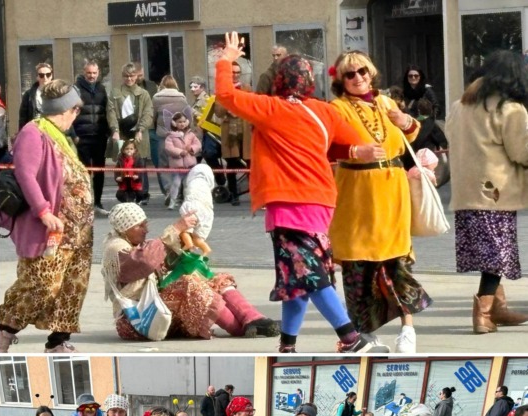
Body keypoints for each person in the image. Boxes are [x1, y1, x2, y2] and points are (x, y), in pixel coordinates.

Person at [212, 34, 388, 354]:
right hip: (321, 202)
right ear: (309, 81)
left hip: (287, 206)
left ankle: (350, 337)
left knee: (308, 275)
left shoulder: (270, 107)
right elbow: (346, 143)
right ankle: (287, 345)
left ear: (278, 80)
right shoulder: (325, 111)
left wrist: (227, 59)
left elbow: (225, 94)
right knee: (298, 280)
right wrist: (354, 150)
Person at [328, 50, 431, 353]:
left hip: (392, 190)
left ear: (371, 72)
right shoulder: (337, 108)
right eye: (350, 74)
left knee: (396, 263)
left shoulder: (387, 102)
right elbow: (324, 147)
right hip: (357, 194)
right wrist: (353, 152)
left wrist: (407, 121)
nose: (358, 77)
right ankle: (363, 332)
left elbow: (409, 139)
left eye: (362, 71)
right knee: (357, 268)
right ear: (341, 80)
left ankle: (408, 331)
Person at [0, 80, 93, 354]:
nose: (75, 117)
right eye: (75, 111)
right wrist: (43, 210)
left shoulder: (59, 135)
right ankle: (5, 330)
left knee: (73, 286)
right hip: (50, 229)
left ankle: (58, 340)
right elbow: (25, 174)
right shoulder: (34, 132)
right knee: (42, 284)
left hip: (77, 231)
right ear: (66, 109)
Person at [101, 203, 277, 340]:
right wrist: (175, 229)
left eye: (146, 224)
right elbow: (145, 261)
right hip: (137, 320)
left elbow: (160, 263)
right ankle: (239, 328)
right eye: (140, 226)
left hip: (156, 309)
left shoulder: (135, 244)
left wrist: (182, 248)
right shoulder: (115, 248)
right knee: (189, 285)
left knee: (212, 278)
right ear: (125, 228)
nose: (146, 229)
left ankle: (252, 318)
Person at [447, 50, 528, 334]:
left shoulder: (459, 105)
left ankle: (498, 309)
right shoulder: (510, 109)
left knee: (491, 253)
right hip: (496, 193)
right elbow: (521, 151)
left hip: (466, 193)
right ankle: (483, 314)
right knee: (496, 255)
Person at [107, 63, 154, 204]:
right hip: (122, 132)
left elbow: (148, 113)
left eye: (132, 76)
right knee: (123, 163)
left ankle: (142, 194)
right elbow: (111, 112)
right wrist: (115, 130)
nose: (129, 79)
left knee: (139, 163)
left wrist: (141, 129)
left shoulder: (143, 94)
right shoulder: (115, 93)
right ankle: (125, 193)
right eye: (126, 76)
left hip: (139, 133)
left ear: (136, 76)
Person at [72, 61, 111, 217]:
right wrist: (74, 135)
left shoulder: (102, 89)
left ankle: (98, 203)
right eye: (89, 73)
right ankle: (85, 202)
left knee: (100, 171)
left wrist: (109, 131)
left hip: (99, 136)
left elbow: (106, 111)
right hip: (83, 136)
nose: (92, 76)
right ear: (84, 72)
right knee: (85, 172)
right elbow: (72, 112)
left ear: (98, 72)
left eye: (94, 73)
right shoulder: (76, 89)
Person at [212, 59, 250, 206]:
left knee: (250, 164)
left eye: (238, 73)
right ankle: (234, 195)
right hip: (230, 133)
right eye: (233, 72)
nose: (236, 75)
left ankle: (256, 194)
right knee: (232, 165)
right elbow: (218, 112)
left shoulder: (246, 88)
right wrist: (229, 106)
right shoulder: (223, 89)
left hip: (245, 132)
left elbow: (252, 105)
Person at [152, 75, 190, 201]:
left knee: (164, 165)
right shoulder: (182, 98)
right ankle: (180, 191)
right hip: (179, 136)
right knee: (178, 163)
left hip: (164, 135)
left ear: (162, 85)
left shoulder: (156, 98)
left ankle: (169, 190)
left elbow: (153, 116)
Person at [163, 110, 201, 210]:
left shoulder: (191, 134)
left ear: (187, 122)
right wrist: (180, 152)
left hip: (189, 165)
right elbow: (169, 148)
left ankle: (188, 202)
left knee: (188, 184)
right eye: (179, 122)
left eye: (184, 121)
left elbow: (198, 144)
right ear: (174, 123)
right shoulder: (170, 136)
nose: (182, 124)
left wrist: (192, 149)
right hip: (177, 166)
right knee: (176, 184)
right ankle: (172, 202)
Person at [19, 62, 53, 129]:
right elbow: (23, 117)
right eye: (41, 75)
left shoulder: (57, 93)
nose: (45, 78)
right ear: (37, 77)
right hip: (35, 130)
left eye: (48, 75)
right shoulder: (28, 95)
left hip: (52, 130)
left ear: (51, 76)